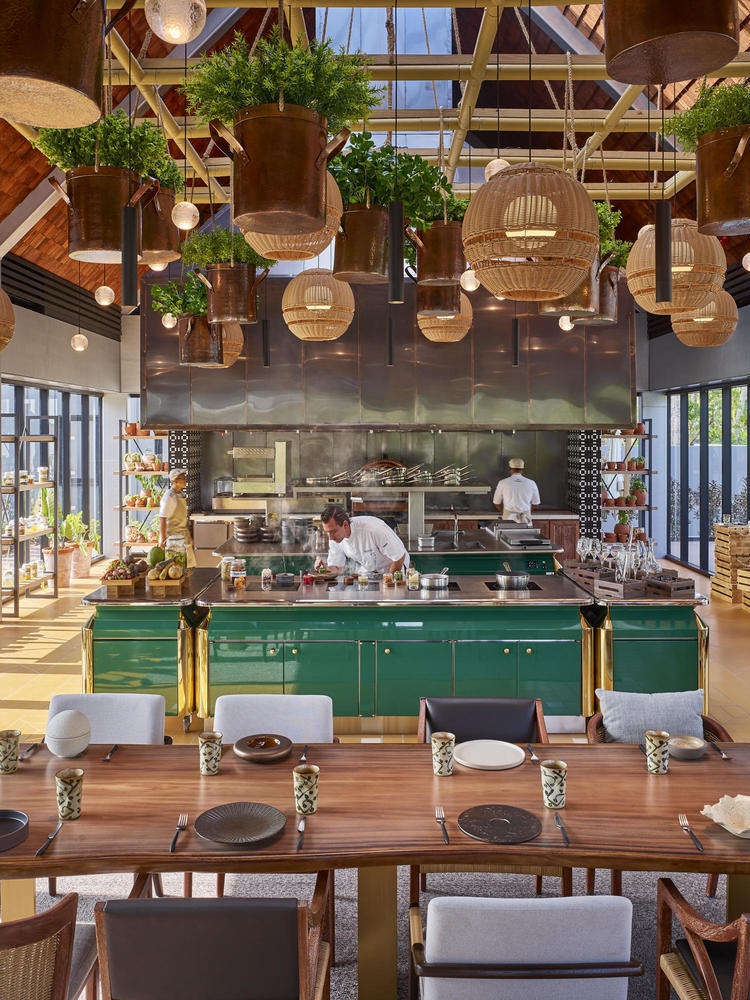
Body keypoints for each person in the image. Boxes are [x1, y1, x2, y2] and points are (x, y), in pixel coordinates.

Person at [316, 505, 409, 576]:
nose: (330, 537)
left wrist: (388, 580)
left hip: (394, 567)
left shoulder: (373, 529)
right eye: (327, 532)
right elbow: (337, 569)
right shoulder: (334, 537)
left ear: (345, 525)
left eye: (333, 532)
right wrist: (326, 568)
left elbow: (399, 557)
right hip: (370, 570)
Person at [158, 468, 196, 568]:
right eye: (182, 478)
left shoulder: (181, 495)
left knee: (187, 568)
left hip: (183, 537)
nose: (185, 480)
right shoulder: (169, 497)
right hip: (174, 539)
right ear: (175, 481)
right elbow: (162, 518)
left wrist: (189, 536)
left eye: (184, 477)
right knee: (175, 569)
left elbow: (183, 518)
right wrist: (162, 538)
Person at [493, 457, 540, 525]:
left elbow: (497, 503)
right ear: (523, 469)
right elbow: (536, 504)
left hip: (508, 520)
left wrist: (506, 512)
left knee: (507, 536)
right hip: (525, 520)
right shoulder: (531, 483)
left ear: (510, 469)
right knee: (526, 535)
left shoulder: (502, 482)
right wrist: (524, 512)